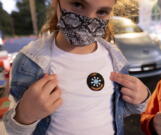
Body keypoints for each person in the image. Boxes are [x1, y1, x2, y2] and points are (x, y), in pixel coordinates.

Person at [3, 0, 150, 135]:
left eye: (102, 12)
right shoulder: (29, 63)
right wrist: (25, 116)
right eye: (78, 4)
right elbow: (12, 128)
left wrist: (142, 99)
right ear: (56, 2)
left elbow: (116, 110)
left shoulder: (115, 58)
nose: (89, 19)